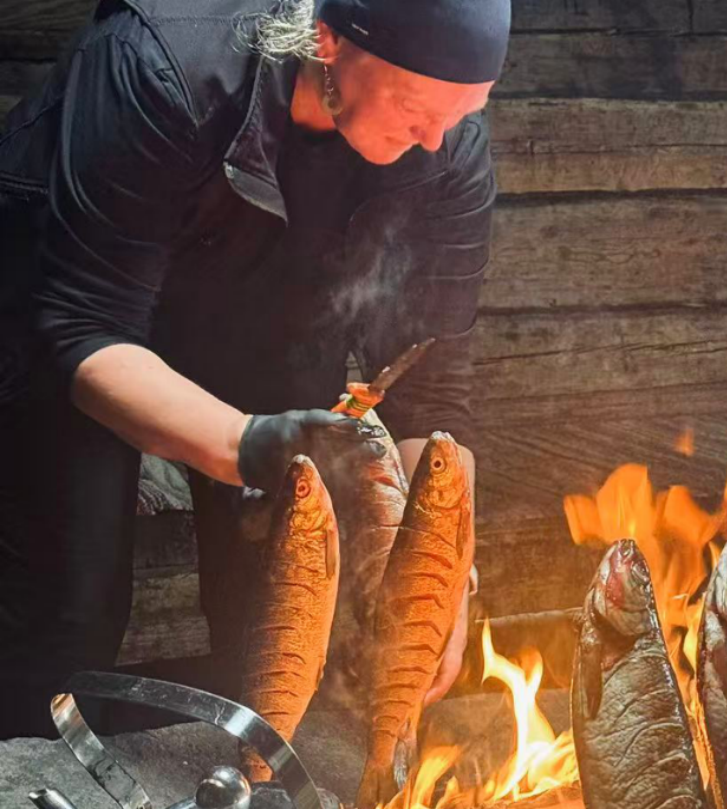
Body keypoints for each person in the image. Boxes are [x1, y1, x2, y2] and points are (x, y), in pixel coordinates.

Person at [0, 0, 509, 738]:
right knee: (66, 609)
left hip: (260, 310)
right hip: (69, 306)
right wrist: (247, 443)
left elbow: (432, 392)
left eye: (465, 112)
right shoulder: (160, 67)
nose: (436, 138)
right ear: (328, 43)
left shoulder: (447, 150)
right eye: (417, 105)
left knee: (280, 609)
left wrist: (444, 574)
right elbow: (83, 328)